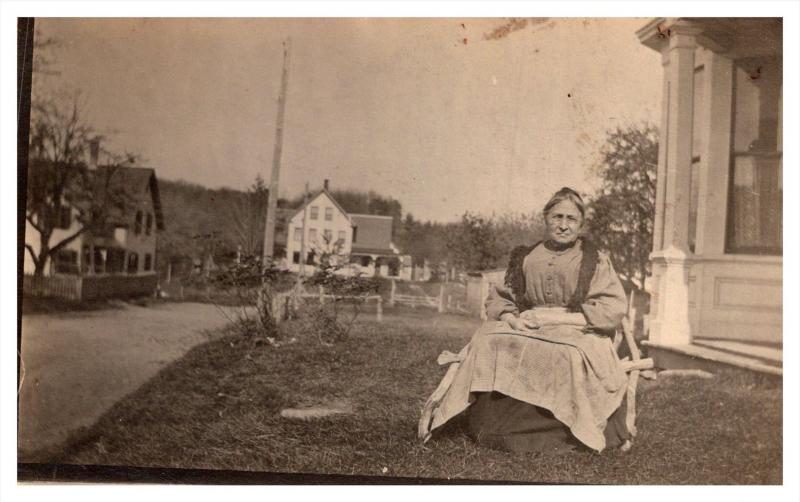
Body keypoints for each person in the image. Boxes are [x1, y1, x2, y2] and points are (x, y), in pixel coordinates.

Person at [418, 187, 632, 453]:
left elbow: (611, 308)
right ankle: (488, 423)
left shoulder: (595, 260)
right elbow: (499, 297)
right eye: (557, 217)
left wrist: (561, 318)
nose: (563, 226)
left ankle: (566, 430)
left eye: (571, 219)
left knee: (568, 354)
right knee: (486, 340)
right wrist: (512, 319)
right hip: (530, 325)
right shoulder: (527, 257)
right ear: (545, 218)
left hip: (581, 328)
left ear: (581, 224)